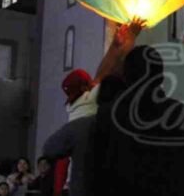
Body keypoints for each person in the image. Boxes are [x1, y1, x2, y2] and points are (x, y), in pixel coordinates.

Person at [44, 19, 145, 196]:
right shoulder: (90, 101)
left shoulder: (77, 105)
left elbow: (101, 74)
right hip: (92, 184)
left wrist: (115, 46)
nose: (94, 82)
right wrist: (131, 37)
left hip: (76, 185)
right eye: (89, 82)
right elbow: (111, 72)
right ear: (85, 87)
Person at [95, 44, 184, 196]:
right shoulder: (179, 114)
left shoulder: (109, 116)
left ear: (126, 76)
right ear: (161, 77)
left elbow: (94, 171)